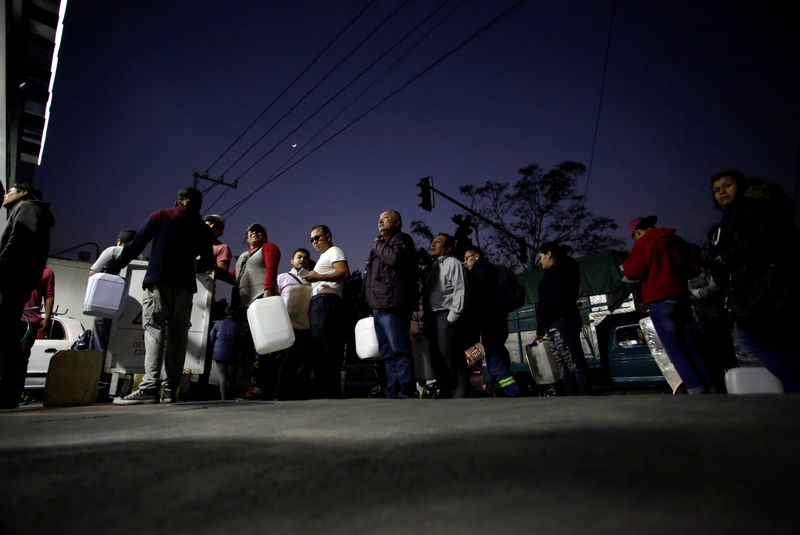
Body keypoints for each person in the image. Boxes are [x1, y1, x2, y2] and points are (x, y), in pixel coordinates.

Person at [105, 187, 214, 405]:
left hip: (158, 281)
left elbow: (136, 245)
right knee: (178, 336)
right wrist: (189, 265)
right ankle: (170, 389)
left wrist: (115, 267)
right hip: (184, 286)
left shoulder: (161, 216)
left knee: (154, 331)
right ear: (199, 206)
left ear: (178, 201)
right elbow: (207, 262)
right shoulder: (202, 228)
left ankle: (149, 387)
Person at [709, 170, 800, 392]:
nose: (722, 192)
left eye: (727, 185)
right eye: (717, 190)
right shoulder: (738, 211)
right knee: (772, 339)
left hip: (765, 285)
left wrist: (728, 256)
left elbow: (766, 236)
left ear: (740, 185)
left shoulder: (750, 207)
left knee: (752, 338)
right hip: (757, 285)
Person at [623, 216, 715, 394]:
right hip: (682, 299)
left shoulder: (645, 241)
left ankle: (696, 390)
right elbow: (694, 269)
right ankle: (711, 387)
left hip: (660, 300)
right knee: (691, 346)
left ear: (637, 232)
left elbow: (633, 271)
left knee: (675, 350)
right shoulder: (676, 240)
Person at [0, 183, 55, 408]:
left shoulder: (28, 208)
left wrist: (2, 262)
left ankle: (8, 392)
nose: (5, 195)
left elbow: (20, 238)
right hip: (18, 278)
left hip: (11, 276)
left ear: (22, 193)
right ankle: (9, 392)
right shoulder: (32, 211)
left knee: (6, 336)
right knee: (8, 335)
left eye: (9, 191)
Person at [365, 210, 418, 398]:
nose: (380, 221)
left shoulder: (402, 239)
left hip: (393, 303)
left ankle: (405, 392)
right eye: (379, 218)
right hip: (378, 305)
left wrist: (377, 244)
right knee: (387, 353)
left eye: (385, 218)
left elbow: (394, 259)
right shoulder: (381, 245)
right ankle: (393, 392)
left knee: (399, 350)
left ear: (397, 223)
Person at [230, 223, 281, 399]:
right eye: (251, 230)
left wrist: (268, 291)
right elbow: (235, 277)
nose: (255, 233)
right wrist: (216, 272)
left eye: (259, 231)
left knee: (264, 347)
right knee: (246, 348)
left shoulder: (268, 247)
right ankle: (245, 385)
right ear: (246, 236)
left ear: (265, 235)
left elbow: (271, 268)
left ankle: (263, 386)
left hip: (260, 300)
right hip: (243, 307)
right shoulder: (243, 256)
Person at [463, 246, 520, 397]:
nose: (465, 262)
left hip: (489, 319)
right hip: (501, 317)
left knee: (494, 362)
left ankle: (513, 393)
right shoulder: (499, 269)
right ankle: (502, 391)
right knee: (500, 354)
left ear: (476, 255)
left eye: (466, 258)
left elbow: (481, 294)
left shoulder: (479, 268)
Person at [535, 242, 590, 395]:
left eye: (541, 257)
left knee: (571, 364)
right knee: (568, 365)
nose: (540, 261)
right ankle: (577, 399)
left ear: (549, 254)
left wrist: (540, 326)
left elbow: (546, 302)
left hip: (559, 322)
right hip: (561, 320)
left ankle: (582, 400)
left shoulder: (556, 272)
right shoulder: (567, 270)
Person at [303, 225, 350, 398]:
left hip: (326, 302)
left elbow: (344, 273)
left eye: (317, 237)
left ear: (328, 236)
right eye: (312, 239)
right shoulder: (323, 257)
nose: (314, 242)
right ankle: (324, 390)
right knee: (318, 348)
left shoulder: (334, 251)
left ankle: (331, 392)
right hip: (317, 302)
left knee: (327, 347)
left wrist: (317, 277)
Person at [423, 233, 469, 398]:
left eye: (439, 242)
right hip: (434, 318)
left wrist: (452, 318)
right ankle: (446, 393)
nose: (433, 244)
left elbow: (460, 291)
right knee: (438, 358)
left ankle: (458, 396)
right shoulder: (435, 267)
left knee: (450, 358)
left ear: (448, 248)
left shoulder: (453, 263)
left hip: (445, 316)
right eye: (433, 241)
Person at [89, 229, 137, 359]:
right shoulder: (140, 257)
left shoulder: (113, 251)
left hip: (107, 305)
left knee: (100, 342)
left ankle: (99, 371)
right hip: (129, 307)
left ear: (119, 241)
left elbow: (93, 274)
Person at [275, 248, 313, 399]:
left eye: (305, 258)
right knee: (285, 360)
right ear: (292, 260)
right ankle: (281, 393)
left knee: (303, 361)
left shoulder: (311, 279)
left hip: (305, 325)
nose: (302, 260)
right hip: (287, 324)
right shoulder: (282, 277)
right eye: (299, 257)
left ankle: (299, 394)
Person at [208, 306, 239, 400]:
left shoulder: (217, 324)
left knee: (222, 377)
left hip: (219, 354)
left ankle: (223, 398)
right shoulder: (236, 325)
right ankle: (231, 396)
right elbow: (239, 341)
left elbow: (211, 338)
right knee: (231, 377)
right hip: (232, 354)